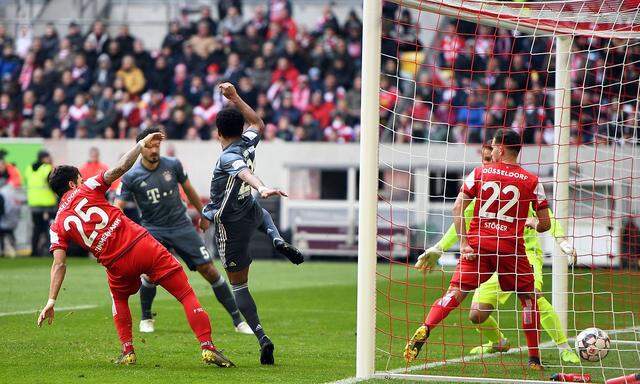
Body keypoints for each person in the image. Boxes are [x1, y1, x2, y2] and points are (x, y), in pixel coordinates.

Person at [37, 132, 234, 367]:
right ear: (72, 184)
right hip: (141, 245)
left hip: (115, 264)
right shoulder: (87, 187)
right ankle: (207, 347)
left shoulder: (57, 224)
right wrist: (139, 145)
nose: (83, 181)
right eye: (79, 179)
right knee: (185, 293)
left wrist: (51, 300)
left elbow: (59, 263)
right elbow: (120, 168)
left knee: (118, 298)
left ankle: (128, 350)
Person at [415, 142, 581, 364]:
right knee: (476, 314)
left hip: (525, 254)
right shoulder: (486, 191)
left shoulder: (521, 185)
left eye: (490, 157)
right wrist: (439, 247)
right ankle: (499, 342)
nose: (488, 162)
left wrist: (562, 240)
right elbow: (461, 221)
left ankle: (563, 347)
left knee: (535, 299)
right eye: (485, 159)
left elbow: (547, 218)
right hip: (490, 253)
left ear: (499, 153)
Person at [201, 82, 304, 365]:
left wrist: (261, 186)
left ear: (218, 133)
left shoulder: (227, 156)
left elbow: (242, 171)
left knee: (240, 287)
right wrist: (235, 97)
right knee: (261, 212)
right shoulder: (247, 142)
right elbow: (258, 122)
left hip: (230, 224)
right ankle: (275, 238)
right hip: (249, 208)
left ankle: (261, 336)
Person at [114, 127, 252, 335]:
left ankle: (238, 321)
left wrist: (203, 215)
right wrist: (125, 234)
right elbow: (118, 208)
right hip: (153, 229)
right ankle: (146, 318)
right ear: (140, 148)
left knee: (210, 270)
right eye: (150, 145)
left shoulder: (173, 165)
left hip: (182, 226)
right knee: (151, 275)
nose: (154, 149)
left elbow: (189, 190)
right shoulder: (131, 176)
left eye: (157, 145)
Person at [25, 150, 57, 256]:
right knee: (50, 228)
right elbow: (52, 183)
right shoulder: (47, 168)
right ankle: (49, 251)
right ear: (43, 158)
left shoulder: (29, 168)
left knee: (37, 228)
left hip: (33, 203)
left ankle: (34, 251)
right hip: (47, 203)